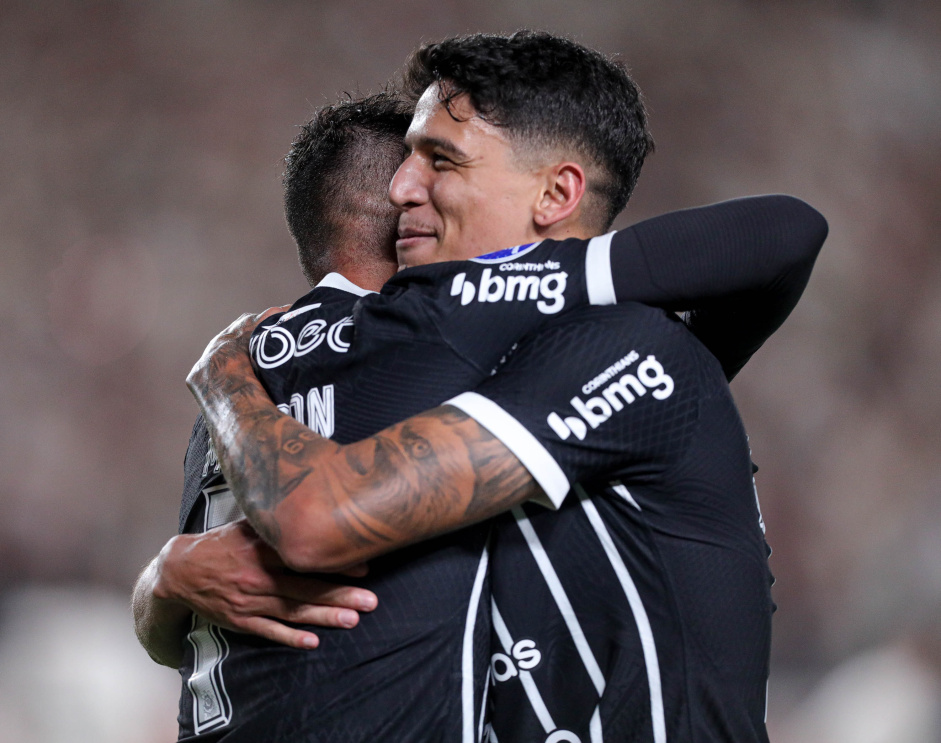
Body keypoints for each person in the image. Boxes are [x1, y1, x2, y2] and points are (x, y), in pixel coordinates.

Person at [140, 32, 827, 743]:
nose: (401, 186)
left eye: (439, 159)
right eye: (407, 157)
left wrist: (225, 375)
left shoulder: (629, 346)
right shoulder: (467, 376)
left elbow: (317, 516)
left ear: (556, 193)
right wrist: (161, 583)